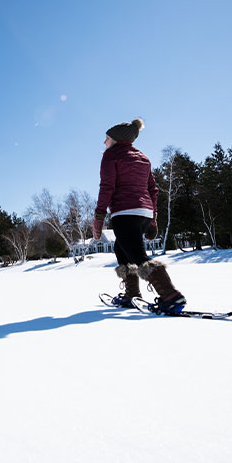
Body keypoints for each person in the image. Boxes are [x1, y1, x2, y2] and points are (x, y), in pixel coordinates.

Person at [92, 118, 187, 315]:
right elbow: (153, 189)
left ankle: (170, 296)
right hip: (144, 212)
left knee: (138, 256)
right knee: (121, 249)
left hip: (124, 212)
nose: (104, 142)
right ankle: (131, 294)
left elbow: (107, 187)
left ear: (116, 139)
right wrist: (153, 218)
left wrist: (99, 217)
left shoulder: (111, 156)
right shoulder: (143, 157)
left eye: (107, 138)